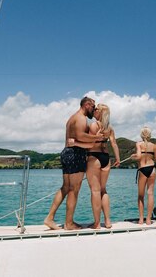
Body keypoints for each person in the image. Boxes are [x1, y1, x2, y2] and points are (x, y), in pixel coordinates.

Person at [44, 97, 107, 230]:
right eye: (93, 107)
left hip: (67, 152)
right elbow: (80, 136)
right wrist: (97, 137)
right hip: (75, 154)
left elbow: (76, 137)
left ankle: (50, 218)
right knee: (74, 189)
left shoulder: (72, 118)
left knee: (66, 187)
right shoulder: (81, 118)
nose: (94, 109)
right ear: (87, 104)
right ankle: (69, 223)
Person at [86, 103, 121, 229]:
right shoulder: (109, 128)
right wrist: (118, 159)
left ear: (100, 112)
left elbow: (88, 143)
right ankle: (107, 221)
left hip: (94, 157)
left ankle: (96, 223)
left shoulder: (93, 125)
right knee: (103, 190)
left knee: (95, 191)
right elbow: (114, 143)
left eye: (96, 109)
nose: (94, 110)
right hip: (106, 158)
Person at [132, 126, 156, 225]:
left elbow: (139, 156)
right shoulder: (154, 146)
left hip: (143, 169)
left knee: (141, 196)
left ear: (141, 135)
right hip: (152, 169)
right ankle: (148, 220)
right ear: (150, 135)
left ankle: (141, 219)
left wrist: (133, 157)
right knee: (150, 194)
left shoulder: (138, 144)